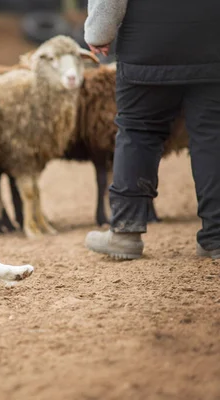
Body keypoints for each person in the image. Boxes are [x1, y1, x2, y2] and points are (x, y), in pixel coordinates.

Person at [83, 0, 220, 260]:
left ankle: (125, 233)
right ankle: (217, 237)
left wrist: (99, 32)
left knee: (138, 130)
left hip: (147, 45)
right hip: (213, 41)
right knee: (213, 135)